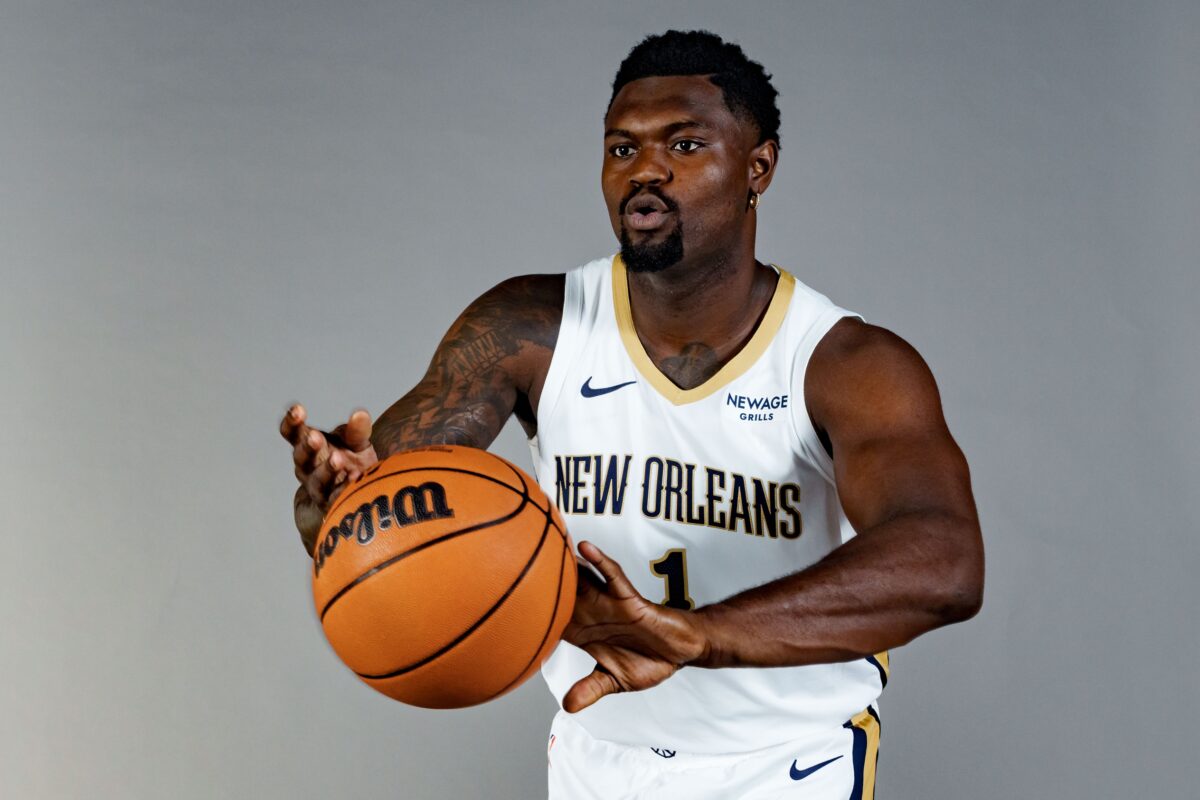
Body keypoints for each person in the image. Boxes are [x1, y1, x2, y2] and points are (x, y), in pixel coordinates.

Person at [280, 30, 983, 799]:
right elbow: (366, 525)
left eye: (683, 144)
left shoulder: (844, 363)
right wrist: (336, 501)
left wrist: (700, 636)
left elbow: (943, 563)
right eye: (622, 149)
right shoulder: (531, 327)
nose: (645, 169)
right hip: (596, 758)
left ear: (759, 167)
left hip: (786, 764)